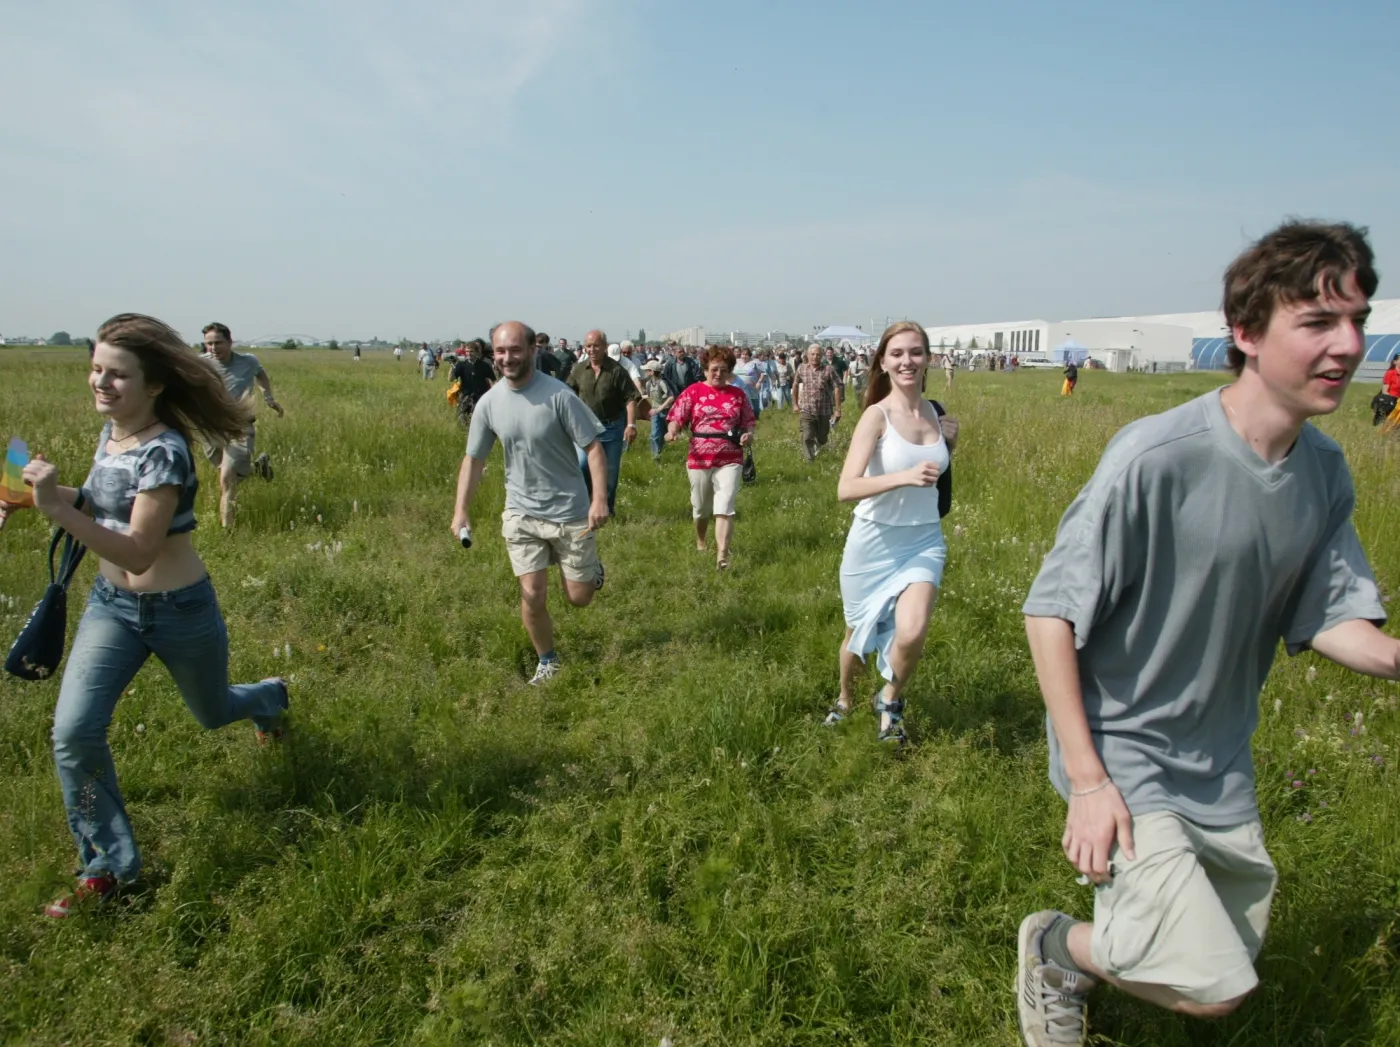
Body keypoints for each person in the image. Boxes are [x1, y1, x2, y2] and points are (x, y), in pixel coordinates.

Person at [1013, 221, 1398, 1047]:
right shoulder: (1157, 455)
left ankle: (1098, 946)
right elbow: (1050, 611)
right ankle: (1054, 945)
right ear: (1247, 332)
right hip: (1121, 744)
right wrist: (1088, 780)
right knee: (1211, 983)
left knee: (1232, 949)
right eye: (1319, 322)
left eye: (1358, 320)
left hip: (1218, 755)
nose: (1349, 345)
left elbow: (1334, 617)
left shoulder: (1325, 471)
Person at [0, 313, 290, 918]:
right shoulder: (113, 434)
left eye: (118, 374)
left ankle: (268, 698)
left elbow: (138, 548)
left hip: (179, 609)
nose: (101, 383)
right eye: (96, 369)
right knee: (74, 732)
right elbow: (98, 505)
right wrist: (35, 495)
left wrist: (57, 508)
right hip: (111, 609)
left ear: (154, 383)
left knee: (213, 714)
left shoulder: (168, 451)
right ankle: (108, 867)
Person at [453, 321, 609, 686]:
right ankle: (548, 660)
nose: (507, 358)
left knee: (580, 597)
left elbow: (593, 448)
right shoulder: (489, 404)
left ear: (532, 350)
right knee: (533, 594)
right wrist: (461, 509)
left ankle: (590, 571)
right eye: (500, 351)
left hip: (570, 511)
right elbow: (473, 460)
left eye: (515, 350)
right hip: (521, 513)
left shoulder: (558, 395)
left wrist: (599, 499)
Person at [823, 322, 957, 745]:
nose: (907, 361)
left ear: (928, 359)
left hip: (923, 540)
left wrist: (949, 447)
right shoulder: (875, 416)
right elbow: (846, 488)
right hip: (874, 540)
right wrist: (902, 477)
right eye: (897, 353)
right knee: (855, 636)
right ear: (883, 361)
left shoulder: (940, 414)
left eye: (915, 352)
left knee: (913, 630)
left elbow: (934, 472)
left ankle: (890, 701)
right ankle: (845, 698)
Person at [665, 345, 756, 570]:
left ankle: (722, 556)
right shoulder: (694, 391)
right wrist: (672, 430)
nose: (718, 374)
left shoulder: (738, 395)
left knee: (724, 505)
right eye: (714, 369)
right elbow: (677, 416)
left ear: (730, 371)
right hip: (699, 457)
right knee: (701, 508)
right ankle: (701, 540)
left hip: (731, 456)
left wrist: (748, 435)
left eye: (723, 370)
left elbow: (749, 422)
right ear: (705, 369)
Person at [200, 322, 283, 529]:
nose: (213, 348)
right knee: (226, 472)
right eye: (209, 344)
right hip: (211, 427)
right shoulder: (200, 364)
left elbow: (260, 374)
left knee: (227, 477)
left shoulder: (248, 361)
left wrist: (268, 397)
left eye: (218, 343)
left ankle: (227, 532)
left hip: (240, 425)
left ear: (230, 342)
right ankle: (258, 468)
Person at [566, 329, 639, 515]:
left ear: (605, 347)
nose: (592, 350)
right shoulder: (579, 369)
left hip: (612, 428)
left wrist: (631, 425)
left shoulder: (616, 371)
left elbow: (630, 398)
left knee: (610, 473)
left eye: (596, 346)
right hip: (585, 429)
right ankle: (587, 506)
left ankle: (607, 509)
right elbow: (567, 394)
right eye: (588, 346)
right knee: (582, 466)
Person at [793, 343, 843, 461]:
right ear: (808, 355)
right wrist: (795, 404)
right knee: (807, 436)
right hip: (806, 408)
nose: (815, 357)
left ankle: (818, 443)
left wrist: (838, 409)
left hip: (824, 409)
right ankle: (809, 461)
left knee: (822, 438)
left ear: (822, 356)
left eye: (818, 355)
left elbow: (837, 387)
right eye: (813, 354)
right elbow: (795, 385)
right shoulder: (802, 368)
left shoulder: (828, 369)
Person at [449, 339, 495, 425]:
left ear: (477, 352)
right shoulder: (461, 365)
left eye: (471, 351)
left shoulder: (484, 366)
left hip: (480, 397)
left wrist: (494, 395)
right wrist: (452, 366)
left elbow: (493, 380)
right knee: (462, 418)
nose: (468, 354)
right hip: (465, 396)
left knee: (479, 421)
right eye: (467, 351)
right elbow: (451, 379)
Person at [642, 360, 675, 462]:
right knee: (655, 434)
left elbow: (671, 397)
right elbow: (648, 396)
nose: (646, 372)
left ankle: (662, 452)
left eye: (647, 370)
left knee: (665, 435)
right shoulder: (648, 384)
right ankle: (656, 457)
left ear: (652, 372)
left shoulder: (662, 383)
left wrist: (660, 408)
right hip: (656, 413)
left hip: (666, 412)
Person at [1373, 353, 1398, 426]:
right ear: (1395, 362)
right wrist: (1392, 401)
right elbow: (1385, 391)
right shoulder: (1390, 373)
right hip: (1391, 401)